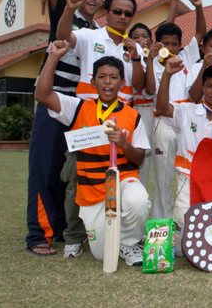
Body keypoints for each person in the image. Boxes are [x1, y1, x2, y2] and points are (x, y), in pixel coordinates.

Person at [25, 0, 104, 257]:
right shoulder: (65, 12)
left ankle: (62, 228)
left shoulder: (98, 32)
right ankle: (38, 234)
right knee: (43, 167)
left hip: (81, 106)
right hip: (53, 99)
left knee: (69, 170)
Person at [35, 41, 150, 266]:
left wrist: (125, 144)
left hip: (124, 181)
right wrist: (53, 57)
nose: (108, 82)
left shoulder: (132, 115)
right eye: (102, 76)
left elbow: (140, 158)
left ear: (122, 83)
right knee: (101, 253)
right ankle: (106, 239)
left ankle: (129, 243)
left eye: (114, 77)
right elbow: (42, 94)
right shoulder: (78, 107)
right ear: (93, 81)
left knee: (138, 200)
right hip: (92, 190)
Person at [56, 0, 145, 257]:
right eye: (117, 11)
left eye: (128, 13)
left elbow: (139, 86)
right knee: (77, 179)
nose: (122, 17)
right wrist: (69, 10)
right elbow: (63, 36)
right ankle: (74, 236)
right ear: (106, 11)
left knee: (125, 183)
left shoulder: (133, 46)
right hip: (87, 119)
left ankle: (125, 240)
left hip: (121, 119)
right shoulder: (90, 35)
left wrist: (137, 57)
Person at [156, 60, 212, 242]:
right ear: (202, 87)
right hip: (188, 177)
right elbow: (161, 108)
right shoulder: (188, 110)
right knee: (185, 222)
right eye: (209, 86)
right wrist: (167, 75)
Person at [144, 0, 203, 219]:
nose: (170, 47)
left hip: (186, 124)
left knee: (186, 175)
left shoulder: (186, 58)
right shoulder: (154, 64)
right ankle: (161, 224)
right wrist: (150, 61)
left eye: (174, 44)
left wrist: (198, 7)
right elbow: (149, 90)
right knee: (162, 178)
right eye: (165, 43)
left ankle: (183, 222)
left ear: (180, 46)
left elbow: (199, 34)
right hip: (163, 124)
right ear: (158, 44)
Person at [129, 23, 154, 189]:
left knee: (148, 161)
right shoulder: (128, 60)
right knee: (137, 159)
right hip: (137, 111)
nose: (140, 40)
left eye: (144, 36)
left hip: (155, 113)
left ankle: (142, 200)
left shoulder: (156, 59)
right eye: (136, 37)